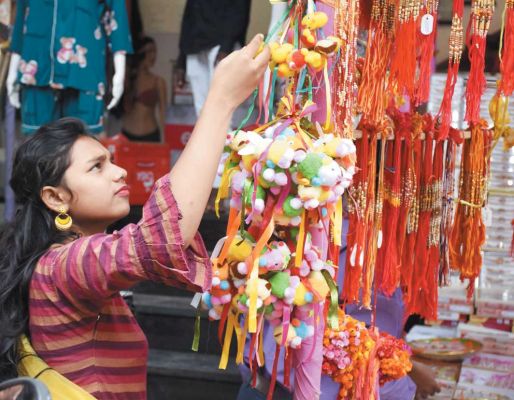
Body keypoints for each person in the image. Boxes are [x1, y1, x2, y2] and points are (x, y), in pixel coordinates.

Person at [0, 34, 270, 400]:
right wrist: (220, 101)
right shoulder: (61, 266)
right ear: (56, 198)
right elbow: (162, 239)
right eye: (97, 167)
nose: (120, 172)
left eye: (110, 160)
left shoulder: (70, 263)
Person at [175, 0, 252, 118]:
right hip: (194, 45)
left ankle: (225, 137)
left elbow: (240, 9)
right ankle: (205, 137)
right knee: (201, 109)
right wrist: (181, 60)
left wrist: (227, 46)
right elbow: (189, 15)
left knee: (223, 107)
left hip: (222, 45)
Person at [121, 36, 167, 142]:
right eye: (149, 51)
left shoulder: (158, 81)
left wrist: (165, 140)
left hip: (150, 134)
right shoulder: (127, 78)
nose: (153, 56)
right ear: (140, 53)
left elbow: (163, 113)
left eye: (155, 51)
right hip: (127, 135)